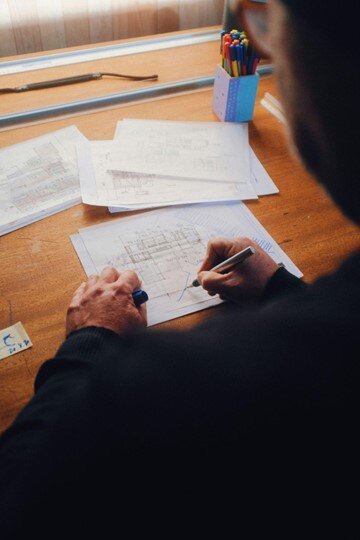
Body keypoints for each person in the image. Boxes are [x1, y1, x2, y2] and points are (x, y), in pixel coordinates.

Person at [0, 0, 359, 535]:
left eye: (267, 25)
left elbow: (17, 495)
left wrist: (91, 339)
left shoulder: (176, 386)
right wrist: (283, 289)